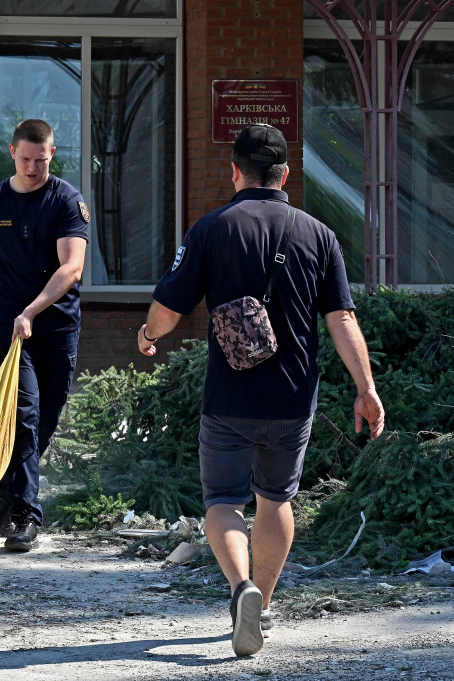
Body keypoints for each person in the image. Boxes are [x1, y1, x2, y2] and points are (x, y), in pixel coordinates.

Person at [137, 124, 386, 657]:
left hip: (230, 396)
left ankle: (240, 589)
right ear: (285, 175)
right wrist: (366, 388)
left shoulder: (211, 228)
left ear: (234, 171)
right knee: (276, 498)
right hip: (294, 395)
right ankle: (264, 604)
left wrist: (149, 334)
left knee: (223, 502)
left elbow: (169, 307)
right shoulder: (319, 234)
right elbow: (342, 317)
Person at [0, 119, 89, 553]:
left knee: (45, 417)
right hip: (8, 325)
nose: (32, 167)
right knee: (22, 414)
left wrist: (33, 310)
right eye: (25, 159)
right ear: (11, 152)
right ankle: (25, 515)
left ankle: (5, 489)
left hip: (56, 323)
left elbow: (72, 267)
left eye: (40, 160)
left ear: (52, 153)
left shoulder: (65, 200)